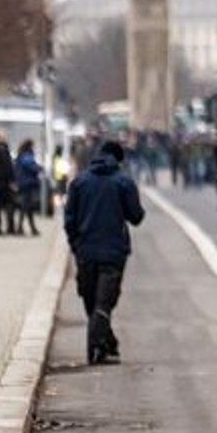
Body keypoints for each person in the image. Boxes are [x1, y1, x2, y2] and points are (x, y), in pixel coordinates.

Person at [64, 139, 146, 365]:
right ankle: (99, 346)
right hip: (113, 252)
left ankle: (103, 345)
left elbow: (69, 219)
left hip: (86, 252)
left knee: (91, 301)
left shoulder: (79, 183)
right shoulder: (123, 182)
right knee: (105, 302)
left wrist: (75, 244)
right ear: (118, 160)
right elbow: (136, 217)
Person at [14, 139, 44, 236]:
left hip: (24, 183)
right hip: (27, 183)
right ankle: (25, 228)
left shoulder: (21, 155)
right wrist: (39, 168)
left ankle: (27, 228)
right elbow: (31, 167)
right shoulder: (26, 156)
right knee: (26, 206)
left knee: (27, 206)